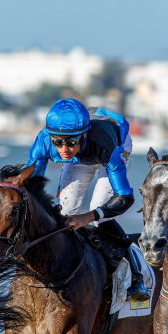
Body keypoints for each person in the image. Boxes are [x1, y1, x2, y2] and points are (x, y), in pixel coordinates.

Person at [26, 98, 149, 301]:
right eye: (58, 142)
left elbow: (125, 197)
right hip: (85, 148)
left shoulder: (105, 145)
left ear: (83, 135)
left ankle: (136, 274)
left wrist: (89, 216)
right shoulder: (43, 141)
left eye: (71, 142)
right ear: (50, 136)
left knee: (98, 216)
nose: (64, 149)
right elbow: (33, 185)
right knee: (66, 212)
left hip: (113, 141)